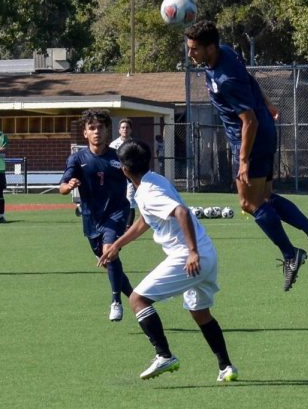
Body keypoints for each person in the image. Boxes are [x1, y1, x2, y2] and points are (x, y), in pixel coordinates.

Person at [185, 20, 308, 292]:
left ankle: (291, 254)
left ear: (210, 47)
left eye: (194, 49)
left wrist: (242, 160)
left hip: (251, 139)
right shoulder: (225, 53)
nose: (190, 54)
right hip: (264, 132)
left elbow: (248, 121)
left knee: (247, 203)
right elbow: (250, 80)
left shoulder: (225, 78)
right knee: (264, 199)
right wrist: (266, 102)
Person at [99, 139, 237, 382]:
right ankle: (226, 367)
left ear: (124, 170)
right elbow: (145, 220)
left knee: (137, 299)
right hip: (207, 253)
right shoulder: (154, 180)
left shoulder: (149, 191)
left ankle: (164, 355)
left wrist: (191, 251)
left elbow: (181, 212)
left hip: (188, 257)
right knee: (200, 313)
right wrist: (118, 245)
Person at [59, 109, 134, 322]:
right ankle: (136, 297)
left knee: (109, 251)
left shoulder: (119, 157)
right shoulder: (77, 158)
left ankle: (115, 301)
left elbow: (138, 179)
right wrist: (69, 185)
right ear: (85, 133)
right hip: (91, 219)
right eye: (92, 128)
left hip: (117, 213)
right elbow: (62, 188)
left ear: (107, 130)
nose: (96, 132)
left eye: (100, 127)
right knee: (109, 262)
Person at [109, 118, 137, 228]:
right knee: (116, 200)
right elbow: (110, 160)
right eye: (123, 127)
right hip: (117, 177)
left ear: (131, 130)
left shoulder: (134, 144)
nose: (125, 129)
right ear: (119, 130)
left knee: (130, 200)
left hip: (130, 177)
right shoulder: (114, 145)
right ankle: (115, 223)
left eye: (127, 127)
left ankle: (128, 227)